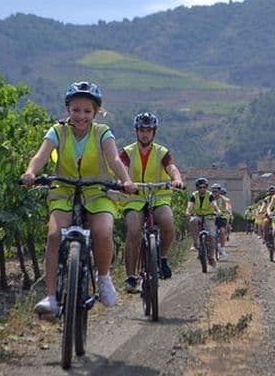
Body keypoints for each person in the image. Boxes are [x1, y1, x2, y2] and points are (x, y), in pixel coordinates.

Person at [21, 81, 136, 319]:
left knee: (103, 232)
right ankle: (51, 296)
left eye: (87, 111)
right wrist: (31, 172)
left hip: (97, 192)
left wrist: (125, 180)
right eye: (76, 110)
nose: (81, 116)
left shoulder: (102, 132)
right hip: (63, 190)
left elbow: (114, 159)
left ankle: (103, 278)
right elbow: (41, 156)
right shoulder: (57, 131)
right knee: (54, 236)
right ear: (67, 110)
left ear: (95, 112)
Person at [119, 112, 184, 293]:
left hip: (158, 195)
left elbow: (171, 167)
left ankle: (162, 258)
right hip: (135, 197)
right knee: (133, 230)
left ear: (154, 132)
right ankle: (131, 277)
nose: (144, 134)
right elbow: (122, 168)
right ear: (136, 131)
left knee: (168, 221)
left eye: (148, 130)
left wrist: (177, 179)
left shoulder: (162, 152)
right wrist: (123, 181)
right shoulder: (127, 152)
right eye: (141, 130)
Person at [186, 177, 221, 266]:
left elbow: (214, 204)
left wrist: (218, 211)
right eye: (200, 187)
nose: (202, 189)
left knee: (212, 237)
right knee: (193, 221)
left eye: (204, 187)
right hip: (197, 215)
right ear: (197, 188)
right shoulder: (194, 195)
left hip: (209, 216)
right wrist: (188, 212)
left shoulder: (210, 195)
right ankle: (195, 242)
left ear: (206, 187)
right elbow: (190, 206)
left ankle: (211, 256)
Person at [210, 183, 229, 258]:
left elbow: (228, 207)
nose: (215, 193)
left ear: (219, 191)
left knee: (222, 231)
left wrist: (226, 210)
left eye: (216, 191)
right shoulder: (209, 198)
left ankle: (223, 248)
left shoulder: (224, 199)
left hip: (221, 217)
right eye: (213, 191)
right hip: (211, 216)